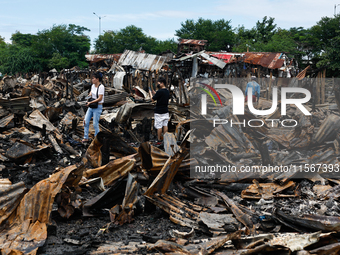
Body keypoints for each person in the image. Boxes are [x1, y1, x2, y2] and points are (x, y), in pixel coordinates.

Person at [82, 72, 105, 143]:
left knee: (95, 123)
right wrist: (88, 97)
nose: (92, 80)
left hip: (98, 106)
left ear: (97, 79)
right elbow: (91, 93)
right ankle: (86, 137)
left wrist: (90, 102)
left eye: (93, 78)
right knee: (85, 121)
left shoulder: (101, 87)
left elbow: (100, 98)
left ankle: (96, 138)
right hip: (91, 106)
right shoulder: (92, 86)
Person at [149, 77, 170, 142]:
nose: (157, 85)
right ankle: (165, 139)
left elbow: (152, 99)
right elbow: (161, 96)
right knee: (165, 125)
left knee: (159, 126)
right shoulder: (167, 91)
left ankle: (158, 139)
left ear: (162, 83)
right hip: (165, 111)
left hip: (159, 112)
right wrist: (155, 93)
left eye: (158, 83)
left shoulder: (159, 91)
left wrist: (150, 93)